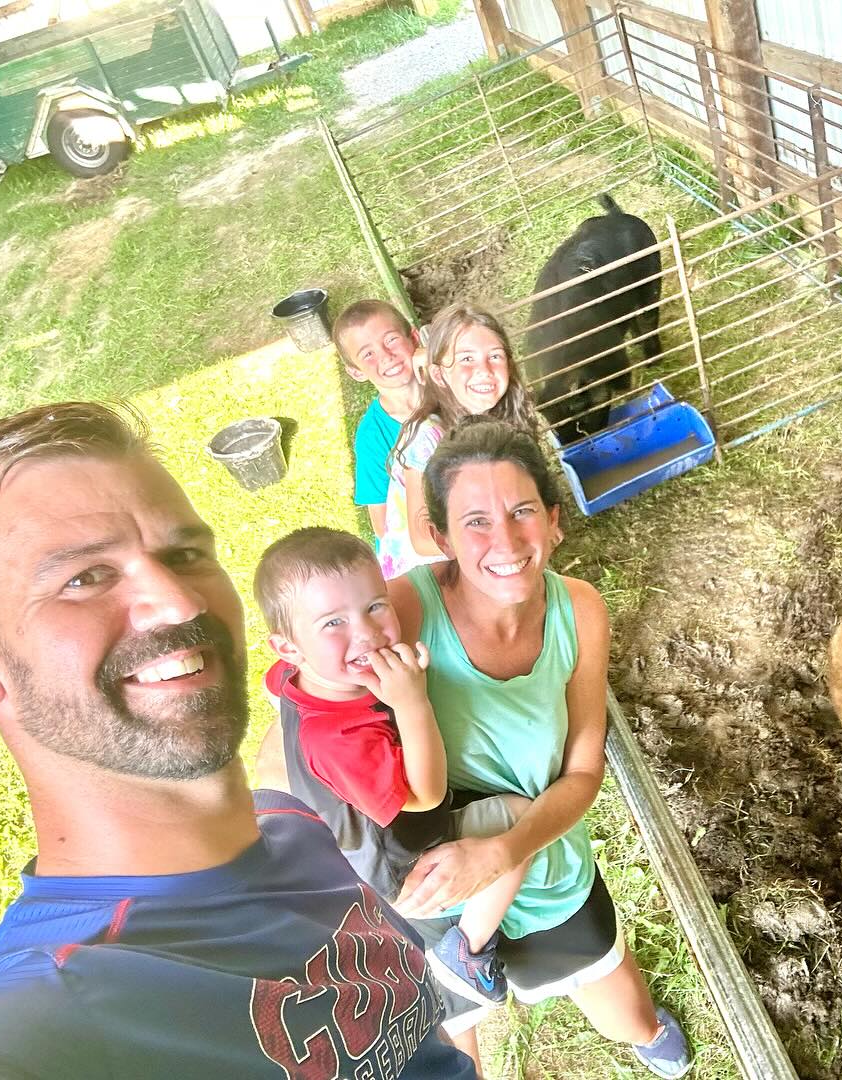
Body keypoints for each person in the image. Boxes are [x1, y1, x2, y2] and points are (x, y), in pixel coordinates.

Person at [0, 402, 473, 1080]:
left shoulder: (298, 830)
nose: (182, 602)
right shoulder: (48, 1012)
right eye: (84, 578)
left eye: (185, 554)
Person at [392, 417, 693, 1078]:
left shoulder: (579, 610)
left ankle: (643, 1033)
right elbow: (313, 707)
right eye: (475, 520)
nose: (504, 539)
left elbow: (584, 772)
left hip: (540, 851)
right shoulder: (404, 610)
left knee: (627, 1012)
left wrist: (502, 852)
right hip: (434, 878)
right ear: (439, 537)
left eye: (522, 510)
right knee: (449, 1039)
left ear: (553, 520)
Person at [252, 526, 529, 1005]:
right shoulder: (340, 738)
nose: (366, 632)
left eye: (375, 605)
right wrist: (412, 701)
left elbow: (274, 686)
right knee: (521, 823)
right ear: (289, 648)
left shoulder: (306, 677)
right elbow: (426, 794)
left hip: (374, 834)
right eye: (332, 623)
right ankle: (468, 953)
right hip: (403, 866)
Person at [377, 303, 535, 580]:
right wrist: (498, 547)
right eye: (466, 359)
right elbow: (423, 538)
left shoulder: (501, 421)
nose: (484, 370)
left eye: (495, 356)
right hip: (425, 576)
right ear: (438, 374)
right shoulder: (428, 438)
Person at [334, 299, 422, 541]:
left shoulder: (451, 389)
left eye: (391, 340)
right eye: (368, 354)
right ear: (355, 371)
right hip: (424, 542)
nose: (386, 356)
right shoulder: (372, 436)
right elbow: (384, 526)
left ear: (414, 339)